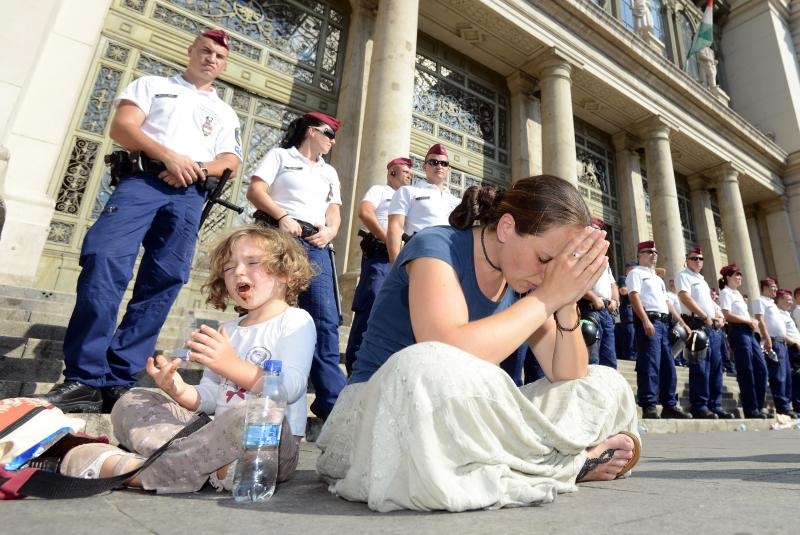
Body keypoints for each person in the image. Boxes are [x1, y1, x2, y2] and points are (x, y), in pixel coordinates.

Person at [316, 175, 641, 513]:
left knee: (604, 382)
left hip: (459, 415)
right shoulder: (435, 246)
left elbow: (568, 374)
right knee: (424, 363)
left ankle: (527, 465)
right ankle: (570, 465)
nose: (547, 275)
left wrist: (567, 300)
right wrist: (547, 297)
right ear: (505, 228)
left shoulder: (526, 281)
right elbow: (447, 350)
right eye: (545, 260)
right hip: (390, 407)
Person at [39, 29, 242, 413]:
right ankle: (83, 377)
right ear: (190, 51)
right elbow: (123, 127)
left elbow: (229, 161)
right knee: (103, 259)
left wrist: (194, 166)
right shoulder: (153, 85)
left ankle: (117, 379)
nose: (211, 59)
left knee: (163, 281)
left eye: (219, 56)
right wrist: (168, 156)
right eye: (205, 50)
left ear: (223, 64)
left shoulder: (225, 111)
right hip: (141, 182)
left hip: (187, 195)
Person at [58, 226, 316, 492]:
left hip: (268, 447)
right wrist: (178, 390)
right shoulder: (228, 329)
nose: (238, 272)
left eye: (252, 263)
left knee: (253, 413)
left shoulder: (296, 321)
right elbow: (210, 397)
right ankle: (203, 469)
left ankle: (135, 471)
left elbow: (291, 388)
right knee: (131, 400)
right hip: (215, 441)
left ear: (285, 273)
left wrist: (231, 365)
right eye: (229, 268)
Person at [247, 111, 347, 423]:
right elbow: (256, 190)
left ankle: (331, 404)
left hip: (316, 244)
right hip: (279, 236)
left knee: (324, 320)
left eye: (334, 135)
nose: (332, 140)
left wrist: (331, 231)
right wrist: (281, 216)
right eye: (328, 133)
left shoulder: (329, 173)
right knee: (266, 310)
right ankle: (251, 388)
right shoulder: (280, 156)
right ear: (310, 131)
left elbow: (334, 211)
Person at [344, 157, 412, 375]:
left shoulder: (409, 197)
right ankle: (355, 365)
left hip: (404, 259)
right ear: (391, 173)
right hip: (381, 257)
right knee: (372, 303)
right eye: (404, 172)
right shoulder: (380, 190)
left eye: (411, 172)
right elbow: (365, 212)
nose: (409, 176)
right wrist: (387, 239)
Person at [626, 241, 692, 419]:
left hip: (664, 323)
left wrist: (682, 323)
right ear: (640, 255)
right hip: (650, 320)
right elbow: (634, 296)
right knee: (650, 363)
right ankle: (649, 404)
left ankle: (669, 403)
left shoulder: (657, 279)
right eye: (649, 251)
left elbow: (668, 303)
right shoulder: (636, 274)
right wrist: (645, 320)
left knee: (668, 365)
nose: (654, 254)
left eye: (655, 252)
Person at [675, 247, 733, 419]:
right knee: (700, 367)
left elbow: (710, 303)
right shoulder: (683, 276)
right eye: (694, 258)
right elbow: (685, 298)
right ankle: (700, 406)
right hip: (698, 324)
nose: (698, 261)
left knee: (716, 367)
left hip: (712, 326)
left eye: (700, 258)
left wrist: (720, 316)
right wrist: (704, 316)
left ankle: (715, 405)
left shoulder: (702, 279)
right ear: (687, 260)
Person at [386, 143, 460, 263]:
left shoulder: (457, 202)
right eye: (433, 162)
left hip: (450, 260)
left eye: (444, 163)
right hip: (419, 256)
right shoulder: (408, 191)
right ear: (424, 167)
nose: (439, 166)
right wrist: (395, 266)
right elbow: (395, 227)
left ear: (448, 170)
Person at [718, 264, 770, 419]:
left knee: (761, 369)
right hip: (739, 331)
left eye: (740, 274)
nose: (739, 277)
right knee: (746, 370)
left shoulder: (737, 294)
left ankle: (758, 406)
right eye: (736, 275)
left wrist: (749, 322)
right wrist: (748, 320)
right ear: (728, 277)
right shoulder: (726, 293)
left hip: (749, 332)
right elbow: (727, 314)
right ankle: (751, 408)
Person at [578, 217, 619, 369]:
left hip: (606, 311)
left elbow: (612, 283)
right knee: (591, 360)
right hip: (589, 308)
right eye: (593, 230)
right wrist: (594, 297)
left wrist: (615, 300)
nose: (597, 234)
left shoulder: (604, 259)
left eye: (599, 231)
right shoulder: (580, 254)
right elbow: (576, 281)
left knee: (609, 360)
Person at [753, 278, 796, 417]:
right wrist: (766, 338)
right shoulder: (760, 301)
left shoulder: (773, 304)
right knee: (778, 375)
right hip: (773, 342)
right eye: (772, 287)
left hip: (782, 342)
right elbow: (760, 319)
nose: (775, 290)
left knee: (787, 375)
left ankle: (787, 404)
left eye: (776, 287)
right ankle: (782, 406)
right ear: (765, 287)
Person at [776, 289, 800, 414]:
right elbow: (782, 333)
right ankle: (797, 406)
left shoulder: (786, 314)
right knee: (796, 377)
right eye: (788, 299)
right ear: (780, 300)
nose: (791, 302)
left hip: (796, 346)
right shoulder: (778, 314)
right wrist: (795, 343)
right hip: (792, 348)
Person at [615, 261, 638, 360]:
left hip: (634, 314)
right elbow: (623, 291)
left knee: (633, 340)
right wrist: (637, 291)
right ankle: (629, 357)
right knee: (629, 339)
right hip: (627, 314)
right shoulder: (624, 278)